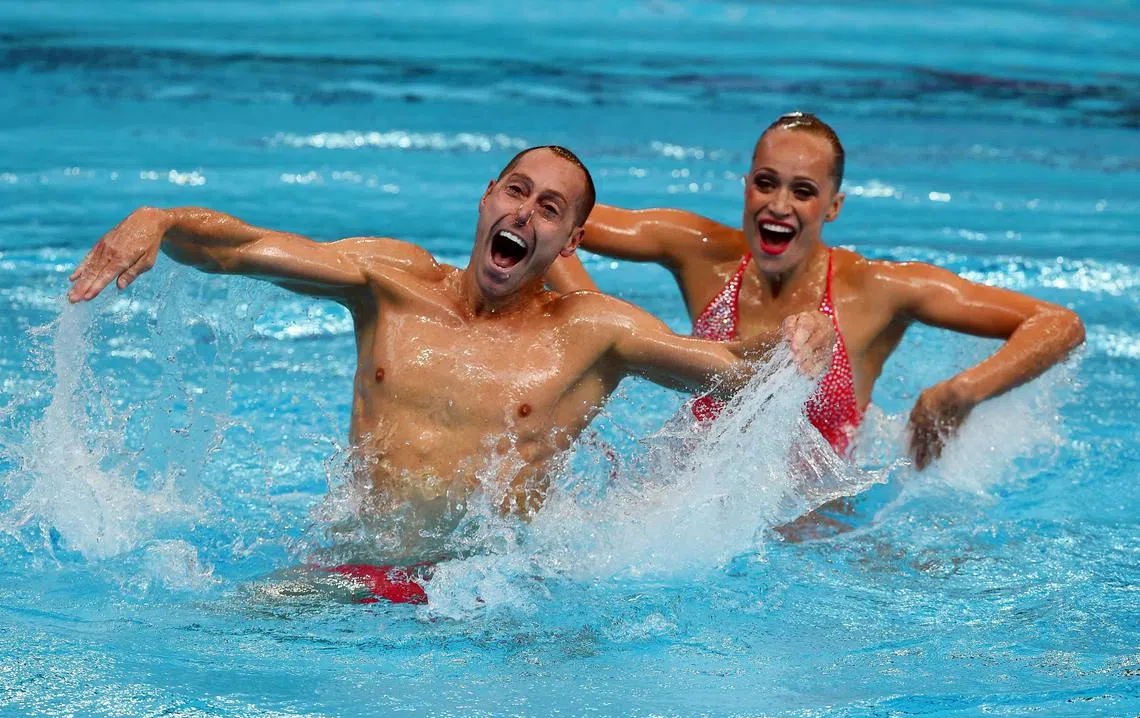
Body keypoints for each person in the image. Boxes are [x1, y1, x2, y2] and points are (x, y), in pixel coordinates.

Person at [67, 145, 834, 602]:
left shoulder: (595, 333)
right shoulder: (390, 283)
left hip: (486, 599)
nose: (525, 214)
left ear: (568, 243)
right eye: (516, 191)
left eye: (551, 209)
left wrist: (802, 339)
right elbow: (243, 248)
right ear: (487, 197)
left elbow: (734, 372)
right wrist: (161, 221)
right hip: (348, 572)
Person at [547, 114, 1085, 466]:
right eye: (766, 182)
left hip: (816, 537)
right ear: (746, 185)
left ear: (832, 207)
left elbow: (1059, 323)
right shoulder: (701, 250)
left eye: (803, 191)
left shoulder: (874, 288)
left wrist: (958, 393)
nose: (779, 205)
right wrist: (592, 318)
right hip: (691, 504)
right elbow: (552, 218)